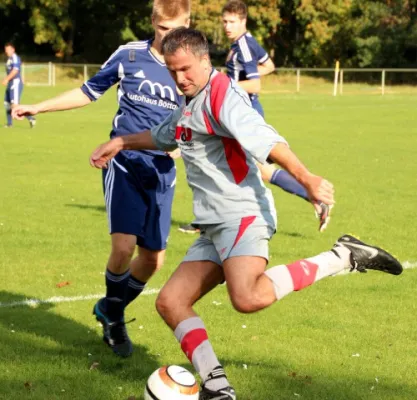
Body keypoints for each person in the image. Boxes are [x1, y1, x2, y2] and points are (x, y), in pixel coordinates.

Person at [89, 27, 403, 399]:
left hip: (243, 215)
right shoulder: (190, 101)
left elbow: (267, 140)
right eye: (173, 71)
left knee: (248, 298)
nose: (179, 78)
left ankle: (344, 256)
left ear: (205, 60)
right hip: (213, 225)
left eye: (186, 69)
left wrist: (307, 180)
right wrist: (121, 140)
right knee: (170, 301)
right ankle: (219, 389)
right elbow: (164, 135)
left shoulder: (223, 96)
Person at [12, 0, 191, 358]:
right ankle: (115, 319)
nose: (167, 38)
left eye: (174, 30)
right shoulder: (129, 55)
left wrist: (181, 147)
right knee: (123, 247)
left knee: (153, 259)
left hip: (161, 171)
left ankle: (110, 308)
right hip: (122, 160)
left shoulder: (191, 66)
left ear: (188, 23)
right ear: (152, 23)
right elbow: (88, 90)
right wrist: (39, 106)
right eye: (161, 30)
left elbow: (200, 115)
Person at [178, 0, 330, 235]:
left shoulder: (243, 47)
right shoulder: (244, 44)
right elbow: (269, 65)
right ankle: (312, 196)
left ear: (243, 21)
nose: (227, 27)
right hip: (235, 115)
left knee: (225, 162)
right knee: (259, 170)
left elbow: (255, 83)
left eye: (232, 22)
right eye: (224, 22)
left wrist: (222, 86)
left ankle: (313, 196)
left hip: (241, 116)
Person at [3, 42, 36, 128]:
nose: (7, 51)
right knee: (7, 104)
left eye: (8, 49)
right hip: (11, 83)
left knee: (15, 106)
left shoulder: (15, 57)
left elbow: (15, 70)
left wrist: (6, 79)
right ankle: (9, 124)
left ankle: (31, 118)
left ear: (13, 49)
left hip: (15, 83)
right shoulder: (9, 59)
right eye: (6, 50)